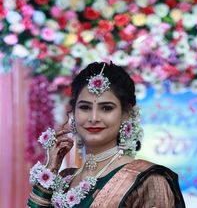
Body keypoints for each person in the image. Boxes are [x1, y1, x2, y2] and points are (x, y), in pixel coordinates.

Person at [27, 61, 186, 208]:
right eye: (85, 107)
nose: (94, 118)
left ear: (125, 114)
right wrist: (50, 171)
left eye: (107, 108)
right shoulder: (64, 179)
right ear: (73, 112)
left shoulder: (147, 181)